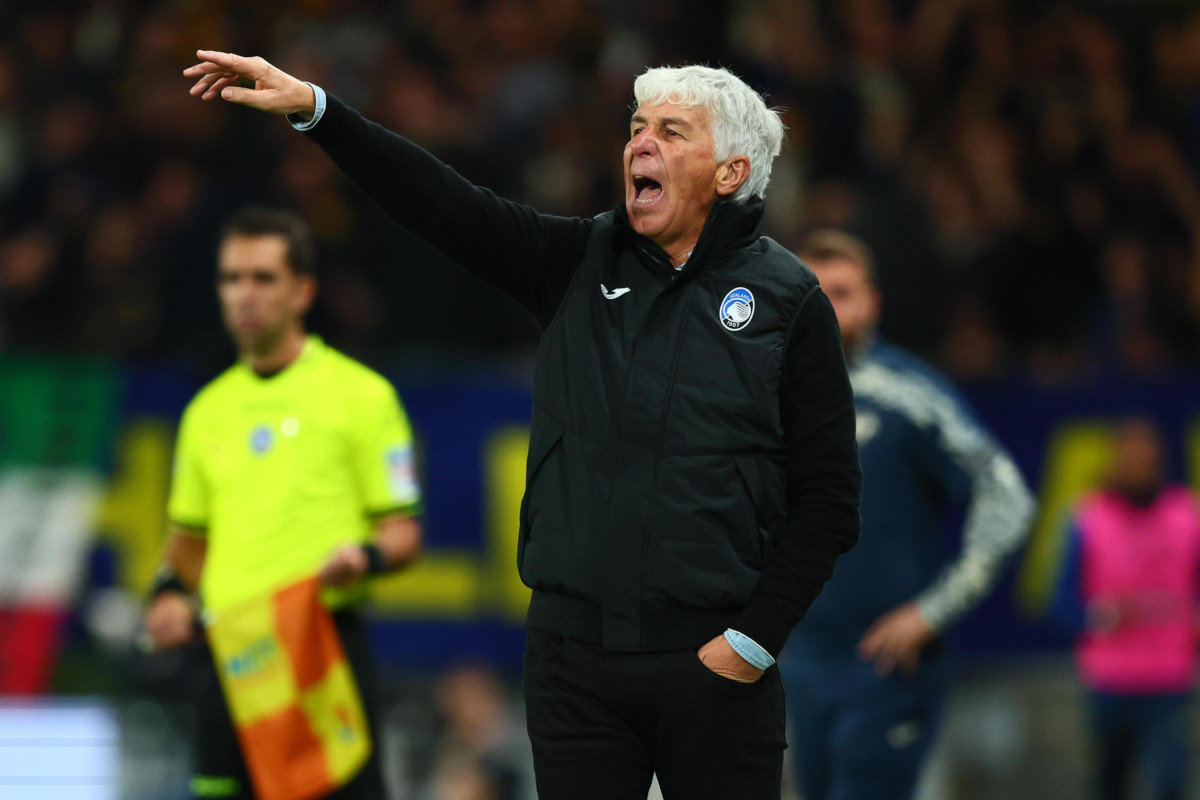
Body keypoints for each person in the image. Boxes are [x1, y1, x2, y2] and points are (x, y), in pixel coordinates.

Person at [181, 52, 862, 799]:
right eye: (637, 127)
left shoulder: (789, 301)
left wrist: (753, 641)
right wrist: (317, 109)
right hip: (573, 665)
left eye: (671, 131)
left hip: (712, 661)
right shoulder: (577, 261)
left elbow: (829, 498)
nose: (640, 143)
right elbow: (441, 204)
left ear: (730, 172)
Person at [142, 206, 423, 800]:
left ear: (303, 291)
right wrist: (167, 592)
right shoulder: (205, 413)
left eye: (263, 278)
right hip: (232, 660)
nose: (244, 295)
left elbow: (402, 534)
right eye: (231, 278)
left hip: (320, 651)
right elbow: (189, 540)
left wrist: (364, 558)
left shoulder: (362, 397)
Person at [782, 231, 1034, 800]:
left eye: (841, 293)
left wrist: (932, 611)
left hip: (886, 664)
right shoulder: (772, 395)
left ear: (873, 302)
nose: (825, 308)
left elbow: (1008, 499)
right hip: (805, 662)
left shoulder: (912, 397)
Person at [1050, 417, 1200, 800]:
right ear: (1115, 462)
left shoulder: (1189, 516)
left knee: (1168, 783)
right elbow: (1062, 602)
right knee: (1108, 784)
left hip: (1171, 679)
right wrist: (1100, 615)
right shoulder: (1086, 518)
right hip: (1109, 681)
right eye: (1131, 459)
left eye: (1148, 460)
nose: (1140, 468)